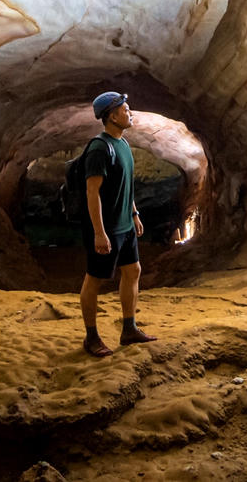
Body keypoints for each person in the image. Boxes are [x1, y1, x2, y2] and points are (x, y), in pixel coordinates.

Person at [79, 91, 157, 357]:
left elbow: (125, 185)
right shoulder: (99, 149)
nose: (130, 113)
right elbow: (92, 192)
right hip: (107, 228)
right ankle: (91, 338)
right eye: (125, 110)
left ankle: (129, 329)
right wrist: (99, 233)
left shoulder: (122, 144)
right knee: (94, 280)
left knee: (133, 270)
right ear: (112, 116)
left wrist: (134, 213)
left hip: (125, 226)